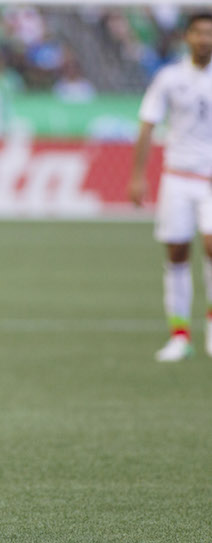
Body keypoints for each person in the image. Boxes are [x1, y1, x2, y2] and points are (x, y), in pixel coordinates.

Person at [128, 12, 212, 362]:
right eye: (198, 33)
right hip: (176, 176)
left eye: (210, 33)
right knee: (176, 253)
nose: (204, 39)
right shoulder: (169, 77)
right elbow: (148, 124)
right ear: (187, 37)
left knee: (211, 246)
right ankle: (179, 334)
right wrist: (137, 175)